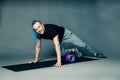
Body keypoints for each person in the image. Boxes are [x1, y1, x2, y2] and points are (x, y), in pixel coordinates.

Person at [29, 20, 105, 68]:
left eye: (39, 27)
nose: (38, 30)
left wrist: (59, 61)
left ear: (42, 24)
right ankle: (73, 50)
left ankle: (95, 53)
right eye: (36, 29)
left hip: (66, 34)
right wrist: (36, 59)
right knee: (61, 53)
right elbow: (38, 46)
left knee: (82, 44)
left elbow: (57, 45)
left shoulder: (51, 30)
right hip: (58, 39)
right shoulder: (38, 34)